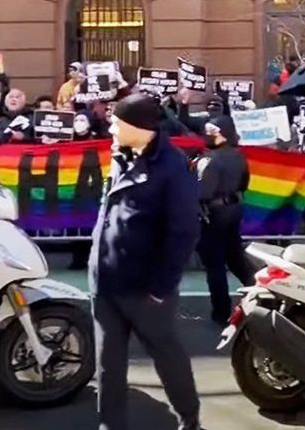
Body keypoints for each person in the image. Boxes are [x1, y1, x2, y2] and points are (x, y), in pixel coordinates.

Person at [90, 93, 203, 430]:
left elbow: (183, 232)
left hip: (146, 289)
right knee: (108, 365)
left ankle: (189, 419)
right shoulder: (119, 155)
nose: (110, 127)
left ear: (138, 127)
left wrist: (160, 288)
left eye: (116, 121)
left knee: (167, 356)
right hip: (105, 280)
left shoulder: (173, 166)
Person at [195, 115, 255, 325]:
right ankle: (258, 292)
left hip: (214, 214)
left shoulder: (209, 160)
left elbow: (202, 192)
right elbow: (245, 183)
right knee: (235, 258)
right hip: (234, 210)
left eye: (213, 132)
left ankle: (220, 312)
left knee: (215, 264)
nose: (208, 136)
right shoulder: (239, 157)